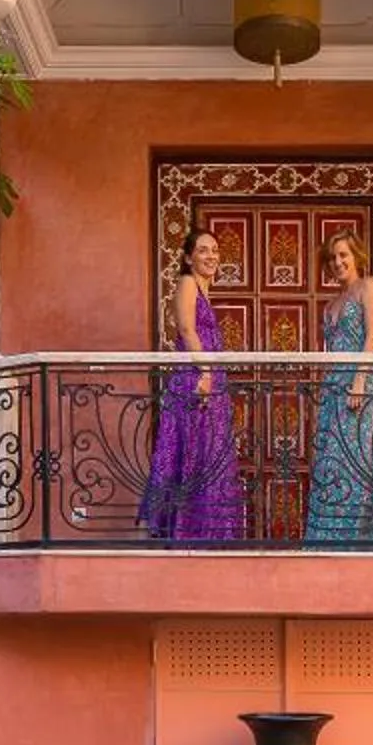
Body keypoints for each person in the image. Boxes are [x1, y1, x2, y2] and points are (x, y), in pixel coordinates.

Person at [139, 225, 246, 542]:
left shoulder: (203, 290)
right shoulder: (187, 283)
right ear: (188, 257)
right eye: (203, 249)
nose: (211, 255)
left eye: (214, 249)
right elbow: (187, 330)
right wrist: (206, 372)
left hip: (207, 376)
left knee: (207, 451)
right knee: (191, 451)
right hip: (196, 378)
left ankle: (203, 529)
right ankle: (180, 530)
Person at [304, 231, 373, 543]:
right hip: (334, 387)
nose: (338, 262)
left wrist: (359, 381)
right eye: (332, 258)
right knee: (331, 461)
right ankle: (325, 540)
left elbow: (372, 337)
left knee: (357, 461)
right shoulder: (331, 304)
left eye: (343, 255)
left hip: (362, 383)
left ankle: (358, 541)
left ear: (356, 255)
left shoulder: (368, 287)